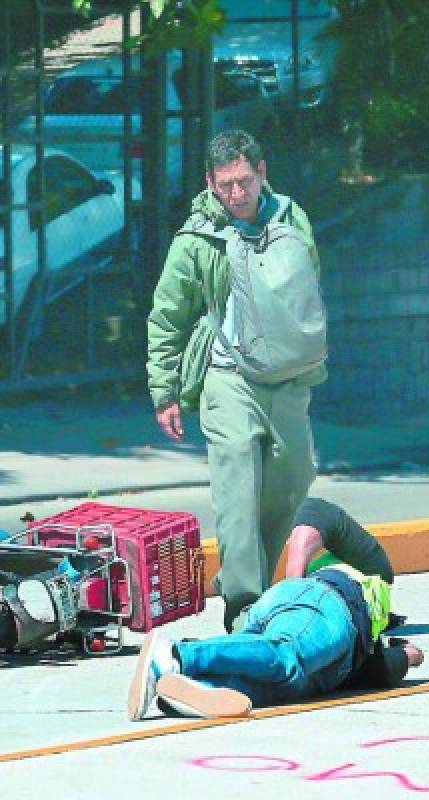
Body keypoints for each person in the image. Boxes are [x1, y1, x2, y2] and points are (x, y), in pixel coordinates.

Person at [146, 129, 325, 633]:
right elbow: (167, 317)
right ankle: (243, 601)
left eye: (245, 181)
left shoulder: (292, 220)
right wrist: (165, 391)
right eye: (225, 184)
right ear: (210, 182)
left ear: (262, 173)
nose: (236, 193)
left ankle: (264, 584)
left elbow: (307, 285)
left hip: (286, 376)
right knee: (237, 478)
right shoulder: (196, 239)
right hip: (226, 376)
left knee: (291, 480)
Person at [126, 498, 425, 721]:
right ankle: (175, 655)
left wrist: (403, 657)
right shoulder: (375, 573)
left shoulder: (366, 652)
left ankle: (194, 687)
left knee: (285, 682)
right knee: (288, 654)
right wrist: (411, 656)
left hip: (296, 623)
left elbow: (379, 673)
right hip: (321, 601)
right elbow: (317, 511)